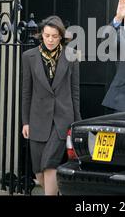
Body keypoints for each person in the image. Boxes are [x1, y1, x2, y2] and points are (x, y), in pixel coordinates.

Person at [21, 15, 81, 195]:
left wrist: (77, 122)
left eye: (54, 36)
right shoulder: (29, 57)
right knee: (39, 170)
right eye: (47, 35)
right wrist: (25, 121)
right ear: (41, 35)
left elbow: (75, 91)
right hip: (37, 119)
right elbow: (26, 91)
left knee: (50, 163)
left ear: (61, 36)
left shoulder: (71, 56)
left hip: (62, 119)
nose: (50, 40)